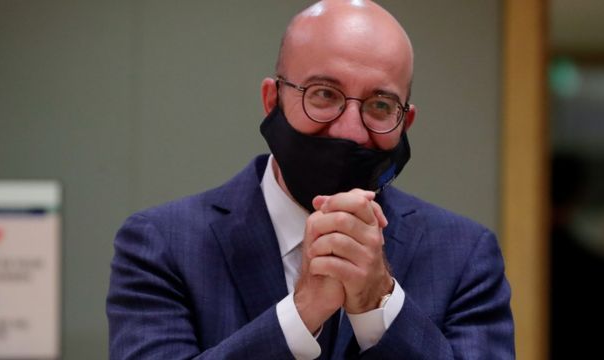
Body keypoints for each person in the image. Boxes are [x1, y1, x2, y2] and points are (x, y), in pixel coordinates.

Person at [107, 1, 514, 359]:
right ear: (273, 100)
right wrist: (298, 317)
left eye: (379, 104)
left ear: (404, 122)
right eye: (324, 94)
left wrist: (381, 307)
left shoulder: (464, 255)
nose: (351, 131)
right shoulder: (162, 245)